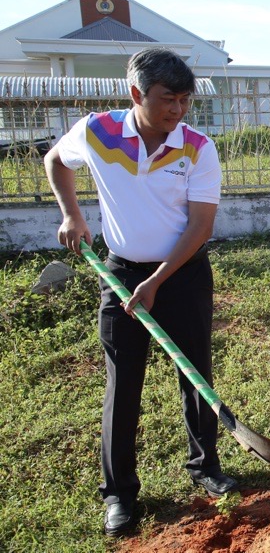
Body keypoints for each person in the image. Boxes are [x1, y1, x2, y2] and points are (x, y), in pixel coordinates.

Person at [43, 48, 238, 537]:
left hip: (183, 275)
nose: (177, 110)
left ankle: (205, 466)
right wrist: (73, 214)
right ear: (137, 94)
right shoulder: (97, 132)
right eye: (167, 99)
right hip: (122, 275)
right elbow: (55, 161)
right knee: (123, 382)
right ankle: (120, 495)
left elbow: (200, 225)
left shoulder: (197, 147)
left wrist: (158, 282)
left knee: (194, 371)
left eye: (185, 100)